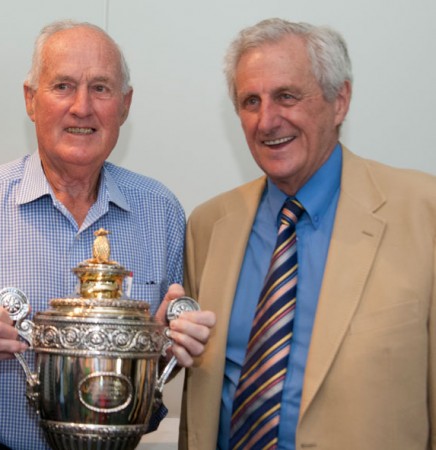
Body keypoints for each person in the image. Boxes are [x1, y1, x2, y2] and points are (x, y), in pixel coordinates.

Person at [0, 20, 215, 450]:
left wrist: (163, 345)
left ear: (124, 105)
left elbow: (166, 359)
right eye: (63, 86)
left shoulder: (162, 213)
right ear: (31, 99)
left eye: (101, 88)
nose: (82, 107)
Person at [179, 17, 436, 450]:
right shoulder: (208, 227)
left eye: (286, 96)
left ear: (340, 101)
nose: (267, 121)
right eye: (250, 101)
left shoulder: (424, 214)